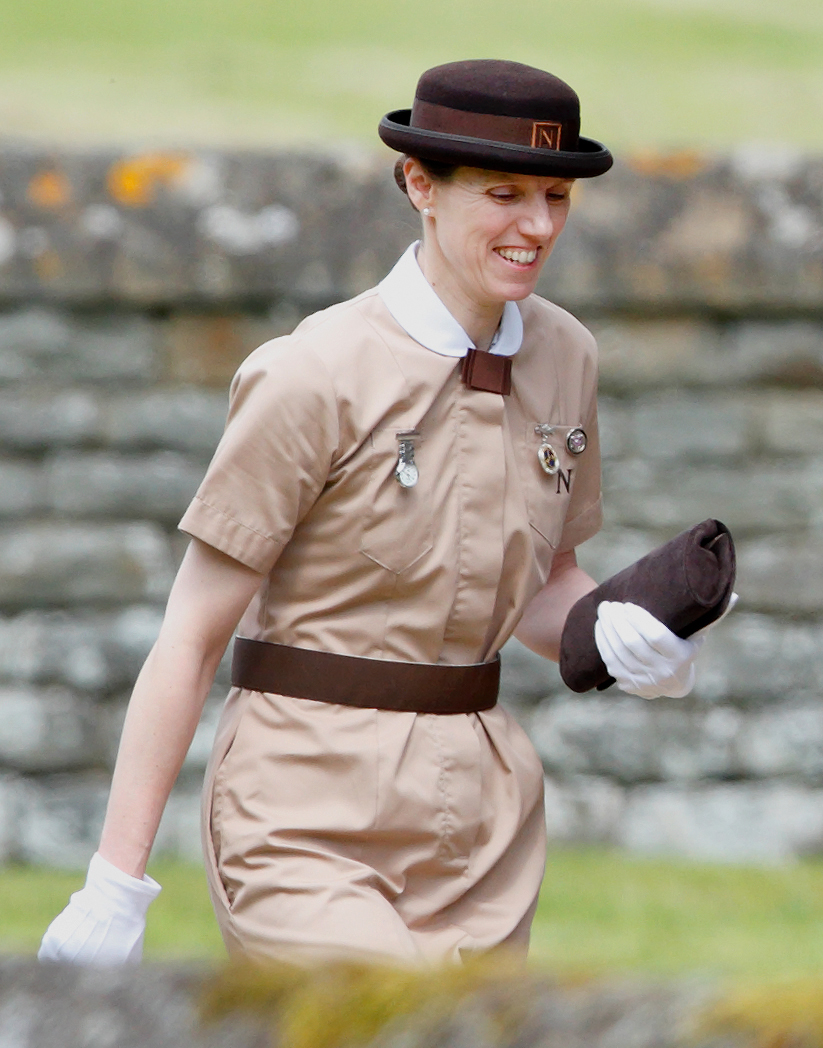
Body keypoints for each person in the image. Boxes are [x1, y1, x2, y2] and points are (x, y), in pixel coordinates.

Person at [39, 59, 706, 967]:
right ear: (418, 184)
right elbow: (191, 635)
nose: (538, 225)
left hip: (485, 819)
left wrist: (618, 634)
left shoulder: (566, 356)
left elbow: (544, 585)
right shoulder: (310, 373)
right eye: (504, 193)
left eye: (555, 195)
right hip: (302, 808)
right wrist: (114, 885)